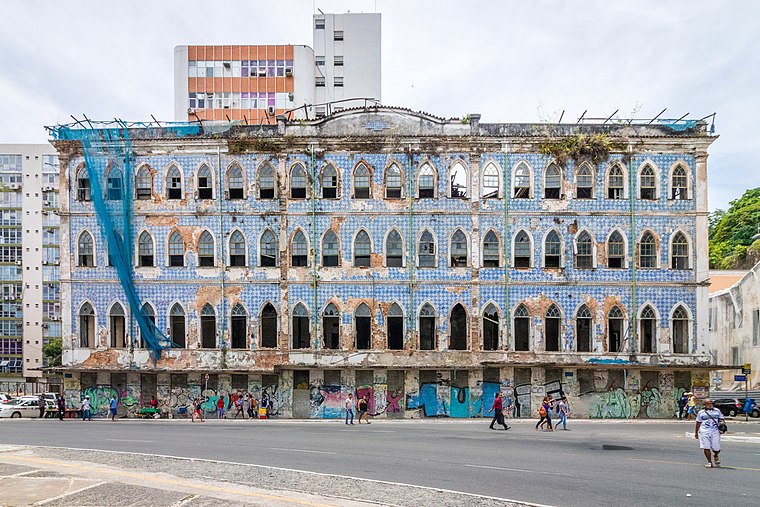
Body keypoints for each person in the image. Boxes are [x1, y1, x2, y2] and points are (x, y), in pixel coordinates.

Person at [695, 398, 725, 468]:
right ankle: (709, 462)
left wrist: (722, 428)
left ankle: (716, 455)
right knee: (706, 447)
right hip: (704, 431)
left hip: (715, 431)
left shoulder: (717, 411)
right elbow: (698, 422)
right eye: (708, 403)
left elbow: (721, 419)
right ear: (704, 405)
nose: (710, 404)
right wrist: (696, 432)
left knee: (716, 448)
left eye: (711, 403)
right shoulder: (701, 413)